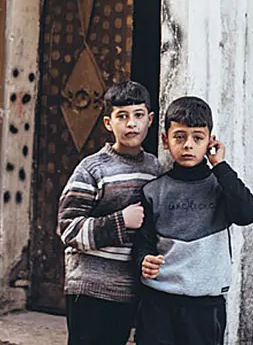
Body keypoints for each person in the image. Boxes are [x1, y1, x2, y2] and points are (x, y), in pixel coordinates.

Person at [132, 97, 253, 345]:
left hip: (205, 305)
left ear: (210, 141)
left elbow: (248, 214)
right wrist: (143, 260)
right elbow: (142, 241)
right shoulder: (153, 191)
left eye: (198, 138)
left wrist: (220, 165)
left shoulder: (221, 187)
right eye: (179, 137)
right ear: (165, 140)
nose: (188, 145)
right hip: (158, 301)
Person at [57, 81, 160, 345]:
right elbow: (68, 228)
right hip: (90, 288)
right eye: (122, 116)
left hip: (129, 289)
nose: (131, 124)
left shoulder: (155, 169)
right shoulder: (92, 169)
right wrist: (121, 222)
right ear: (108, 123)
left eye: (138, 115)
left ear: (150, 119)